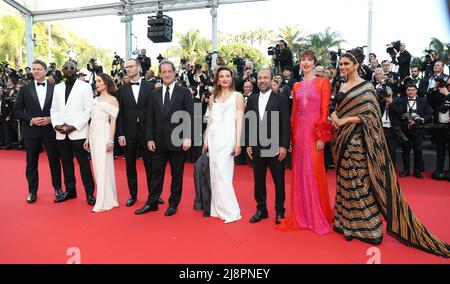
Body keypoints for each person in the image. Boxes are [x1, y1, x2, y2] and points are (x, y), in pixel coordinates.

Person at [330, 48, 449, 258]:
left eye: (347, 64)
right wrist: (333, 115)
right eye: (341, 64)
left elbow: (370, 115)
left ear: (357, 65)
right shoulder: (341, 84)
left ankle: (369, 228)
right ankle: (346, 224)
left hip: (358, 141)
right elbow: (334, 105)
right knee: (345, 180)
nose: (343, 67)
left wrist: (345, 120)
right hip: (340, 140)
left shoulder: (366, 87)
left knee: (360, 181)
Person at [277, 50, 333, 235]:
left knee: (313, 171)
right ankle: (302, 214)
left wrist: (321, 137)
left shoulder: (323, 82)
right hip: (300, 132)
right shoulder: (296, 86)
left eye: (309, 59)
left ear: (315, 63)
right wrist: (291, 137)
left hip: (314, 131)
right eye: (303, 60)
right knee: (300, 171)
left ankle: (316, 214)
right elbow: (294, 113)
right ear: (299, 63)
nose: (306, 62)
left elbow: (324, 111)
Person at [139, 60, 194, 216]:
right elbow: (150, 118)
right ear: (160, 74)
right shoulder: (154, 94)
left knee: (177, 175)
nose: (167, 74)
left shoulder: (184, 92)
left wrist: (188, 137)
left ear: (174, 73)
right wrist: (149, 138)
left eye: (170, 71)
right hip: (159, 141)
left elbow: (191, 116)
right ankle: (152, 203)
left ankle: (173, 203)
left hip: (178, 140)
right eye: (164, 71)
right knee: (156, 174)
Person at [13, 60, 62, 203]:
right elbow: (17, 110)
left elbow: (61, 109)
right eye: (33, 69)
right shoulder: (24, 89)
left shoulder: (56, 89)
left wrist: (51, 119)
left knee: (54, 160)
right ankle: (32, 191)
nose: (35, 71)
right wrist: (31, 120)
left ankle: (58, 188)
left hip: (50, 130)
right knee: (31, 162)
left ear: (46, 71)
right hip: (31, 130)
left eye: (39, 69)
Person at [245, 69, 290, 225]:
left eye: (265, 78)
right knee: (258, 181)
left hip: (275, 147)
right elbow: (248, 122)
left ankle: (279, 211)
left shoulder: (281, 99)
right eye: (259, 78)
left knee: (279, 181)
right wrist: (249, 142)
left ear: (272, 81)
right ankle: (261, 209)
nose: (262, 80)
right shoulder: (252, 99)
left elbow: (286, 124)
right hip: (257, 147)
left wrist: (284, 146)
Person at [116, 59, 162, 207]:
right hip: (128, 133)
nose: (127, 69)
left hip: (147, 133)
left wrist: (153, 134)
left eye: (130, 66)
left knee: (151, 166)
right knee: (130, 165)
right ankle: (133, 195)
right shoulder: (121, 90)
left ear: (139, 68)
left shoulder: (151, 88)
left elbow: (155, 113)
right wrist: (120, 134)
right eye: (126, 67)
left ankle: (153, 195)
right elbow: (119, 114)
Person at [202, 66, 244, 223]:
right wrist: (206, 140)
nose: (225, 78)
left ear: (232, 78)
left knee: (224, 175)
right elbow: (211, 120)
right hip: (214, 138)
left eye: (227, 76)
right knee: (215, 174)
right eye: (222, 76)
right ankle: (217, 208)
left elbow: (239, 121)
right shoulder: (213, 97)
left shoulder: (237, 96)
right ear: (217, 79)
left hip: (228, 139)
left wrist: (238, 143)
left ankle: (231, 211)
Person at [50, 61, 96, 205]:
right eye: (65, 68)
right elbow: (54, 109)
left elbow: (88, 110)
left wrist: (74, 126)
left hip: (79, 132)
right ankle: (70, 191)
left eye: (71, 68)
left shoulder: (85, 86)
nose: (68, 70)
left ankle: (90, 193)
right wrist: (56, 125)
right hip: (61, 133)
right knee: (66, 163)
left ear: (76, 70)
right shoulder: (57, 88)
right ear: (62, 70)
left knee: (83, 163)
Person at [83, 74, 119, 212]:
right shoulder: (95, 99)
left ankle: (103, 202)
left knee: (104, 166)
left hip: (104, 134)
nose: (96, 83)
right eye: (96, 81)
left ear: (106, 83)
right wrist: (87, 138)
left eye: (99, 81)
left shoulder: (113, 100)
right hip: (93, 134)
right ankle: (107, 198)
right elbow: (91, 120)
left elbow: (113, 121)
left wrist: (111, 140)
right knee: (98, 168)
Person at [392, 84, 433, 179]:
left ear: (416, 91)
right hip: (405, 130)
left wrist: (421, 119)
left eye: (413, 90)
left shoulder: (422, 101)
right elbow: (395, 112)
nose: (411, 92)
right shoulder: (401, 100)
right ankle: (406, 170)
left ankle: (417, 171)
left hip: (418, 130)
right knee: (405, 151)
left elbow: (429, 115)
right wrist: (402, 116)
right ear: (406, 91)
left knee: (418, 151)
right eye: (409, 90)